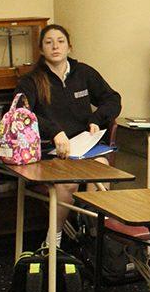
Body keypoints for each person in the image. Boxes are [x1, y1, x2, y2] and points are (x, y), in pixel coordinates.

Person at [15, 24, 122, 247]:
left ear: (69, 46)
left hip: (84, 148)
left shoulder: (84, 73)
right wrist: (54, 132)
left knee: (102, 169)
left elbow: (112, 99)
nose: (55, 46)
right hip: (50, 152)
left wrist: (96, 119)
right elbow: (22, 114)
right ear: (41, 49)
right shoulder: (31, 80)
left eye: (60, 41)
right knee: (68, 183)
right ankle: (53, 240)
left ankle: (97, 237)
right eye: (49, 42)